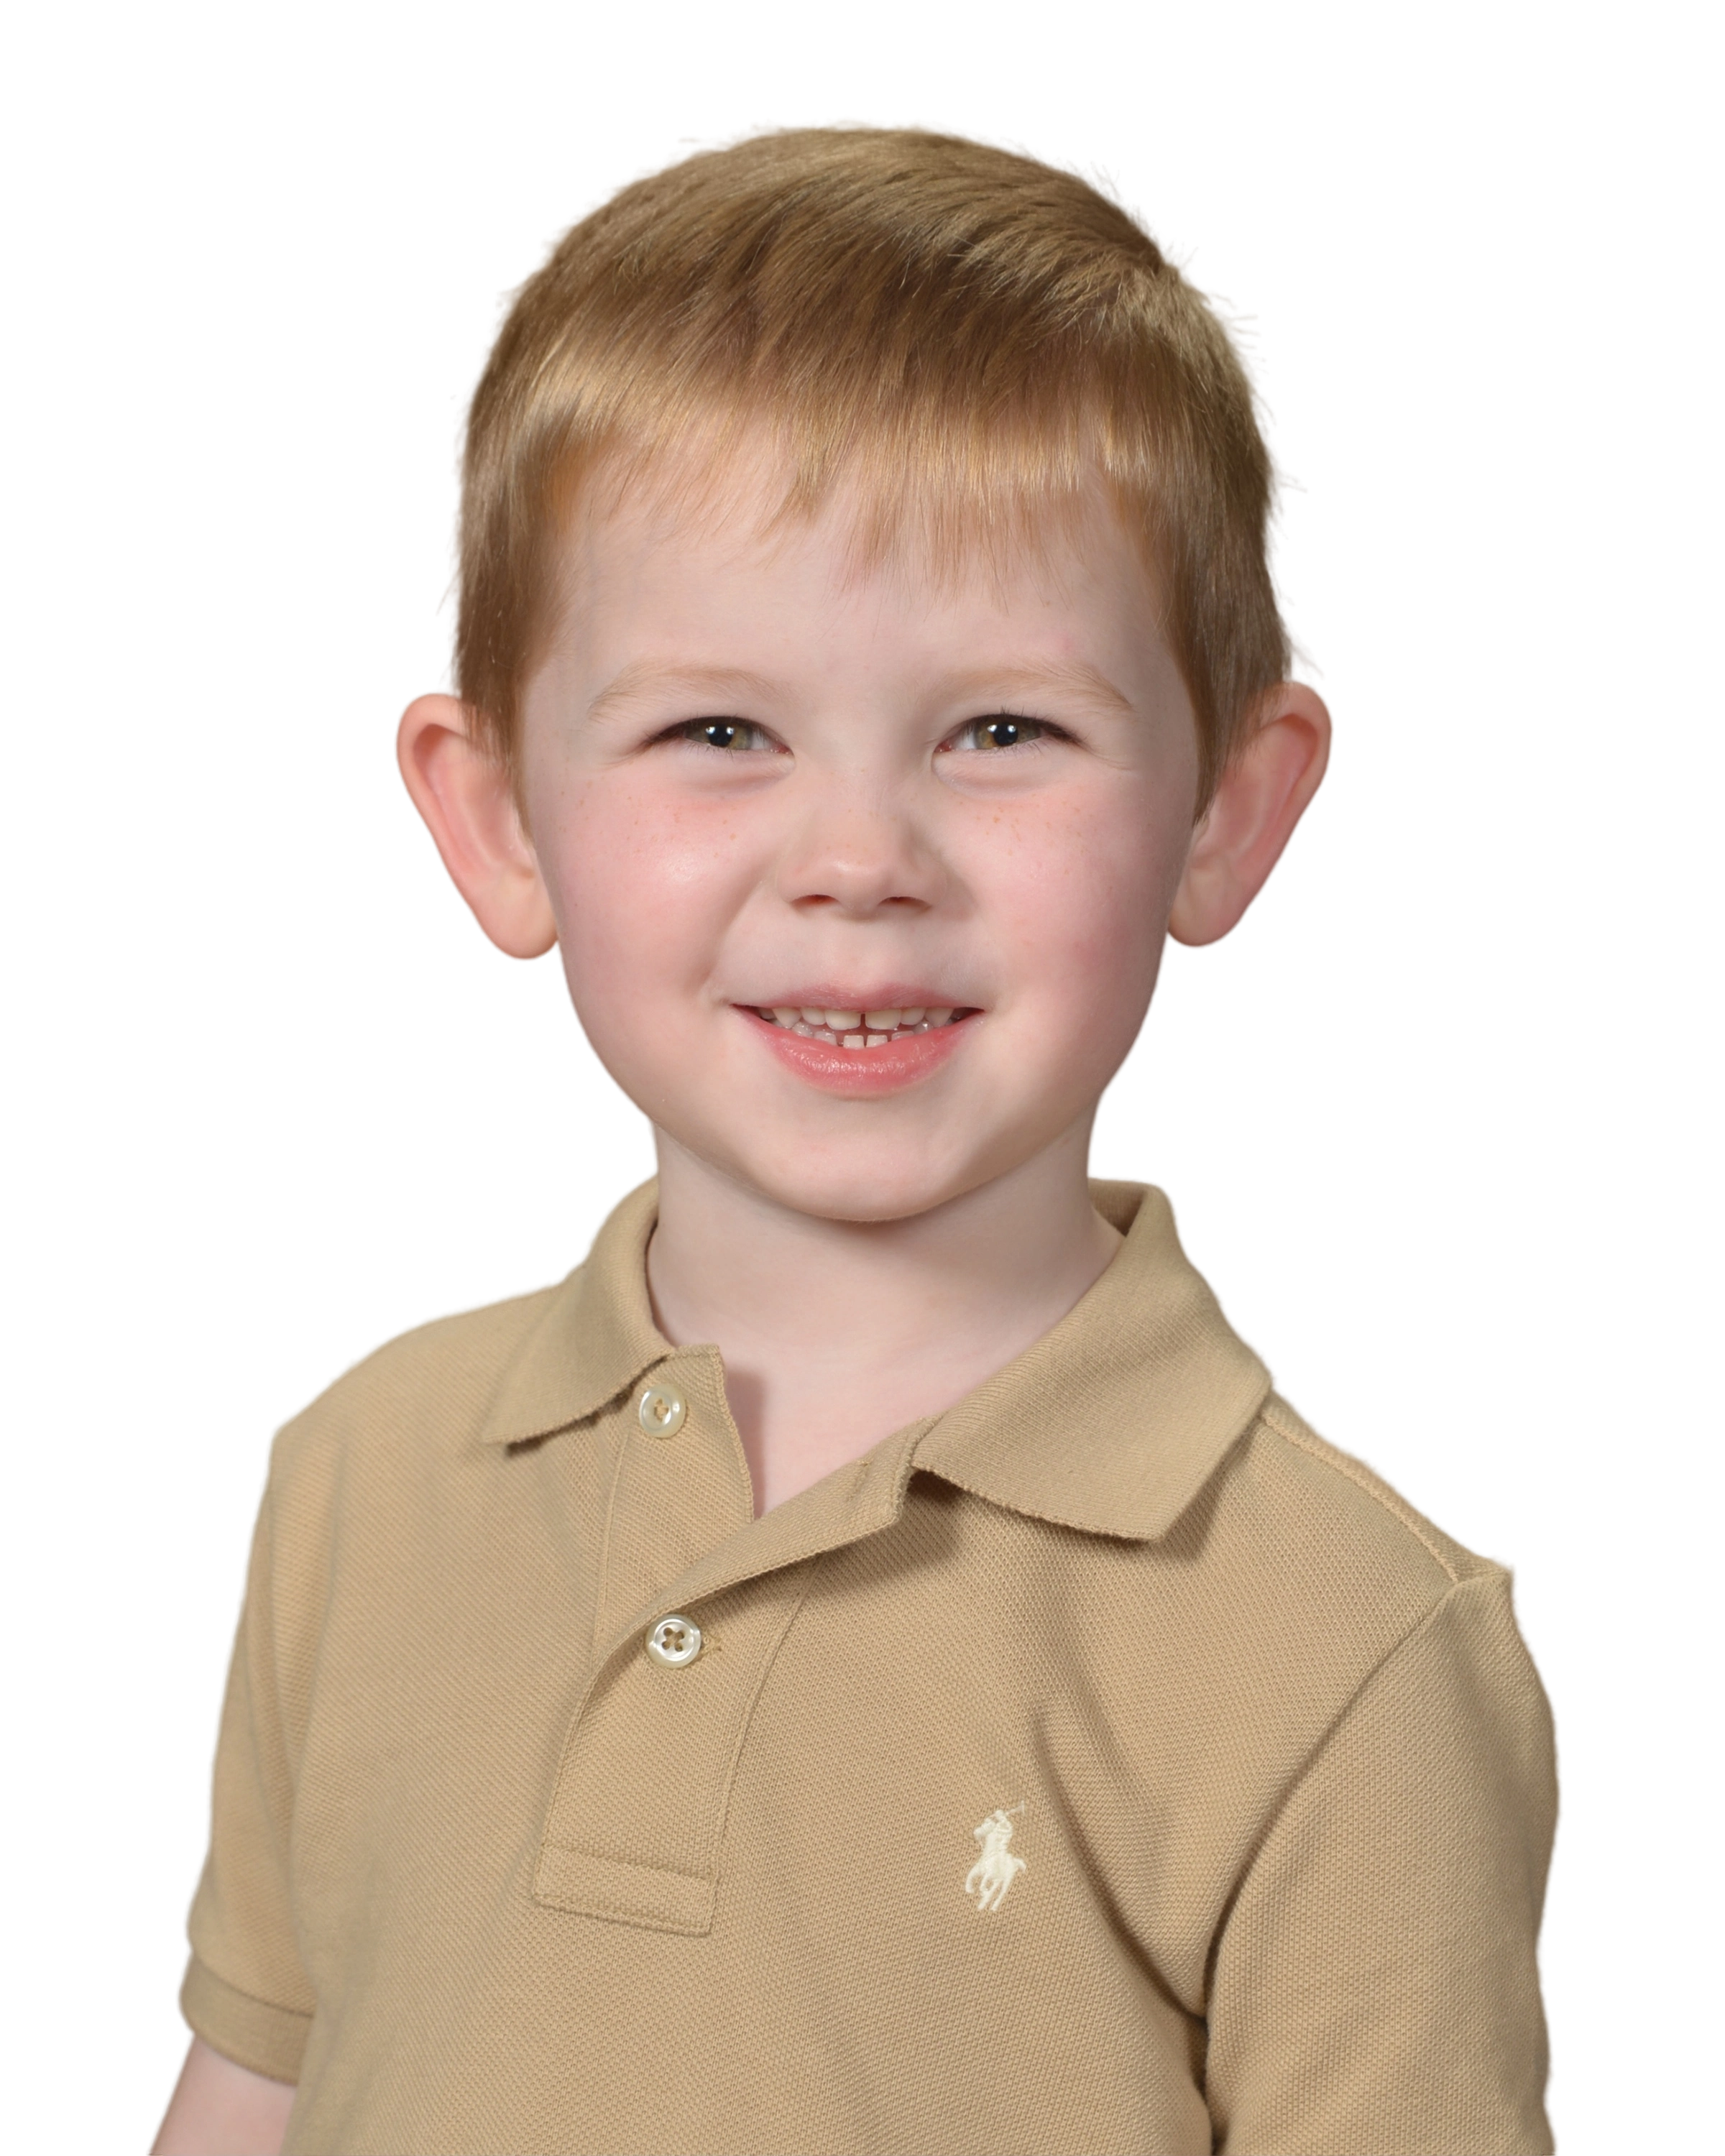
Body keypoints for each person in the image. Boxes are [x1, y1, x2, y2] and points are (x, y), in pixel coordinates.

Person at [149, 114, 1563, 2155]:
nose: (858, 860)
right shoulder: (361, 1473)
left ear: (1225, 811)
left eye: (1003, 729)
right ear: (498, 820)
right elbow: (258, 2091)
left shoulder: (1346, 1644)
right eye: (718, 730)